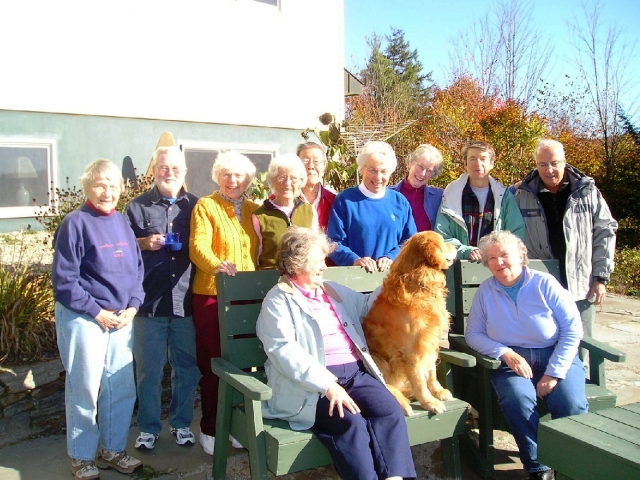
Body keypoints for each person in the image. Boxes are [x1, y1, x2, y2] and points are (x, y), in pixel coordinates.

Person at [256, 227, 416, 480]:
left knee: (389, 410)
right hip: (311, 385)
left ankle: (395, 477)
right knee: (349, 422)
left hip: (356, 374)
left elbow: (366, 306)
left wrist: (392, 283)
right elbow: (282, 350)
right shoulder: (278, 301)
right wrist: (328, 385)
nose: (324, 265)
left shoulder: (332, 290)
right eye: (318, 259)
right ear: (298, 262)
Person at [465, 231, 588, 480]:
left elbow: (573, 328)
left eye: (504, 255)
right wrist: (505, 353)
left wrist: (554, 373)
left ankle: (570, 465)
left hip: (555, 354)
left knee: (570, 402)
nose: (499, 262)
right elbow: (474, 335)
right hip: (513, 362)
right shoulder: (486, 292)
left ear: (522, 256)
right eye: (492, 258)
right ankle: (537, 467)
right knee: (517, 400)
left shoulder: (545, 283)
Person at [53, 159, 144, 479]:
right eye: (100, 185)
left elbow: (137, 270)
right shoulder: (75, 223)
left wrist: (133, 307)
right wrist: (97, 312)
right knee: (85, 388)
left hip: (121, 318)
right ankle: (81, 456)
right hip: (84, 318)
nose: (108, 192)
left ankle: (113, 450)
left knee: (119, 387)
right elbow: (65, 281)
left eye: (114, 185)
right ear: (87, 187)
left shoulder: (121, 221)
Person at [125, 146, 201, 450]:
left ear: (184, 171)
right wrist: (144, 242)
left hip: (185, 303)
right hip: (148, 303)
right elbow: (122, 248)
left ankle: (181, 424)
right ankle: (148, 427)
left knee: (186, 369)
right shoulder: (137, 207)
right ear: (153, 170)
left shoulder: (195, 206)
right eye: (162, 167)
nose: (169, 173)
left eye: (175, 168)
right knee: (148, 372)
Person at [514, 139, 617, 360]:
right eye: (542, 164)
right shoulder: (522, 194)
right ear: (536, 164)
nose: (549, 170)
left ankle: (577, 391)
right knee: (543, 345)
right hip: (540, 287)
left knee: (580, 347)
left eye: (554, 163)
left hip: (580, 285)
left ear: (565, 161)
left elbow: (605, 232)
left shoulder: (587, 192)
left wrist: (601, 277)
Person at [189, 151, 260, 455]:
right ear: (218, 176)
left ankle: (237, 426)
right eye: (227, 174)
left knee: (246, 366)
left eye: (239, 175)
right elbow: (197, 246)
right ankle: (210, 427)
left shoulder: (256, 210)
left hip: (247, 298)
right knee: (214, 365)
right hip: (211, 296)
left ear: (249, 180)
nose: (233, 180)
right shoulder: (206, 206)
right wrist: (218, 264)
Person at [327, 141, 417, 272]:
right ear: (362, 169)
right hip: (355, 280)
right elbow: (334, 243)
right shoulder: (345, 200)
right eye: (372, 170)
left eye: (384, 171)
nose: (378, 177)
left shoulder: (399, 202)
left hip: (393, 280)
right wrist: (354, 260)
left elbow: (410, 241)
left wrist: (391, 257)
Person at [435, 140, 525, 261]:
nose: (478, 163)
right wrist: (466, 251)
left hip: (497, 269)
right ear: (465, 164)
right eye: (472, 159)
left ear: (492, 164)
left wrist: (497, 254)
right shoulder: (451, 195)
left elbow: (516, 235)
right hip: (458, 270)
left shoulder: (504, 197)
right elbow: (442, 236)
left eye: (483, 159)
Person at [252, 154, 315, 269]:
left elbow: (315, 249)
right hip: (270, 281)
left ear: (300, 181)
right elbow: (254, 257)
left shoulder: (308, 210)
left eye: (293, 178)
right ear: (273, 180)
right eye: (282, 177)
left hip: (301, 280)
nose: (287, 183)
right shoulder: (260, 215)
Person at [389, 143, 444, 232]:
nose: (422, 173)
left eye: (429, 171)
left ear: (433, 174)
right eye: (420, 166)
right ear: (411, 163)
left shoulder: (439, 197)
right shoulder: (388, 194)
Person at [297, 141, 336, 232]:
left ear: (324, 166)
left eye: (316, 161)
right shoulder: (285, 200)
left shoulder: (334, 202)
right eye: (305, 161)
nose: (311, 166)